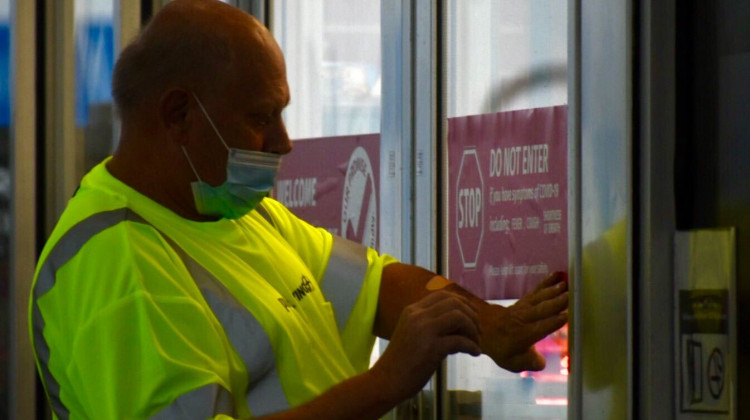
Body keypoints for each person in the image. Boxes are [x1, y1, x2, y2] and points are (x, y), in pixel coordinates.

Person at [29, 1, 569, 418]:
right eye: (261, 116)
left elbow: (376, 287)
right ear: (178, 115)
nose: (283, 143)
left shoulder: (232, 211)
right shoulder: (115, 264)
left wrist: (489, 324)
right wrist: (388, 381)